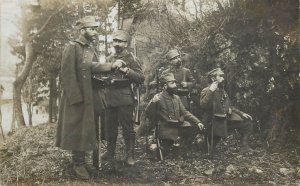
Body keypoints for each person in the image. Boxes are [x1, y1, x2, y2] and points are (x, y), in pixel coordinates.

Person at [56, 16, 124, 179]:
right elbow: (67, 74)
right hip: (77, 98)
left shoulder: (90, 48)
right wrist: (76, 98)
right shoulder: (73, 47)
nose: (95, 32)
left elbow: (92, 68)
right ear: (82, 30)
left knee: (86, 129)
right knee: (76, 129)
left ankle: (82, 161)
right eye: (92, 29)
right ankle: (77, 163)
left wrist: (110, 66)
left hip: (89, 96)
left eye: (95, 29)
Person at [101, 30, 144, 166]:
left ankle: (130, 155)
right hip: (110, 97)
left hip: (125, 97)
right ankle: (109, 153)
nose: (116, 44)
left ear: (126, 43)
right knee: (110, 127)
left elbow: (140, 78)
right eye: (115, 41)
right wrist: (106, 79)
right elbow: (104, 75)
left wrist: (126, 70)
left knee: (127, 128)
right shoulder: (109, 59)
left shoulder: (131, 58)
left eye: (120, 41)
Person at [144, 73, 204, 158]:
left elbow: (185, 112)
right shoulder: (158, 98)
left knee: (195, 127)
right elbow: (148, 113)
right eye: (172, 83)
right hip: (166, 129)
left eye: (175, 83)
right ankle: (163, 146)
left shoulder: (176, 97)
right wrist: (153, 102)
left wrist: (198, 122)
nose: (175, 85)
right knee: (164, 153)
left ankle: (185, 147)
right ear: (165, 86)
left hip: (178, 126)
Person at [200, 68, 253, 159]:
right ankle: (210, 147)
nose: (223, 79)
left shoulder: (222, 91)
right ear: (213, 78)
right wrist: (210, 91)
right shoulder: (206, 90)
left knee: (247, 121)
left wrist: (241, 113)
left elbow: (230, 106)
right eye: (220, 76)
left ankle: (244, 146)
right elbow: (203, 105)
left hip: (225, 119)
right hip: (212, 122)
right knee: (211, 143)